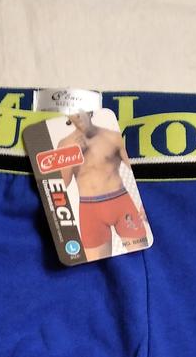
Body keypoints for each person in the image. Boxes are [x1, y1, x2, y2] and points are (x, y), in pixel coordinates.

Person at [58, 111, 150, 261]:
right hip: (89, 211)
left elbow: (138, 172)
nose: (78, 117)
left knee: (142, 257)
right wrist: (72, 155)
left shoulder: (113, 137)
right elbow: (61, 184)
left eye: (81, 113)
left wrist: (145, 203)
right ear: (68, 117)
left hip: (121, 204)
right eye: (74, 114)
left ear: (90, 112)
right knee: (95, 268)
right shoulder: (64, 144)